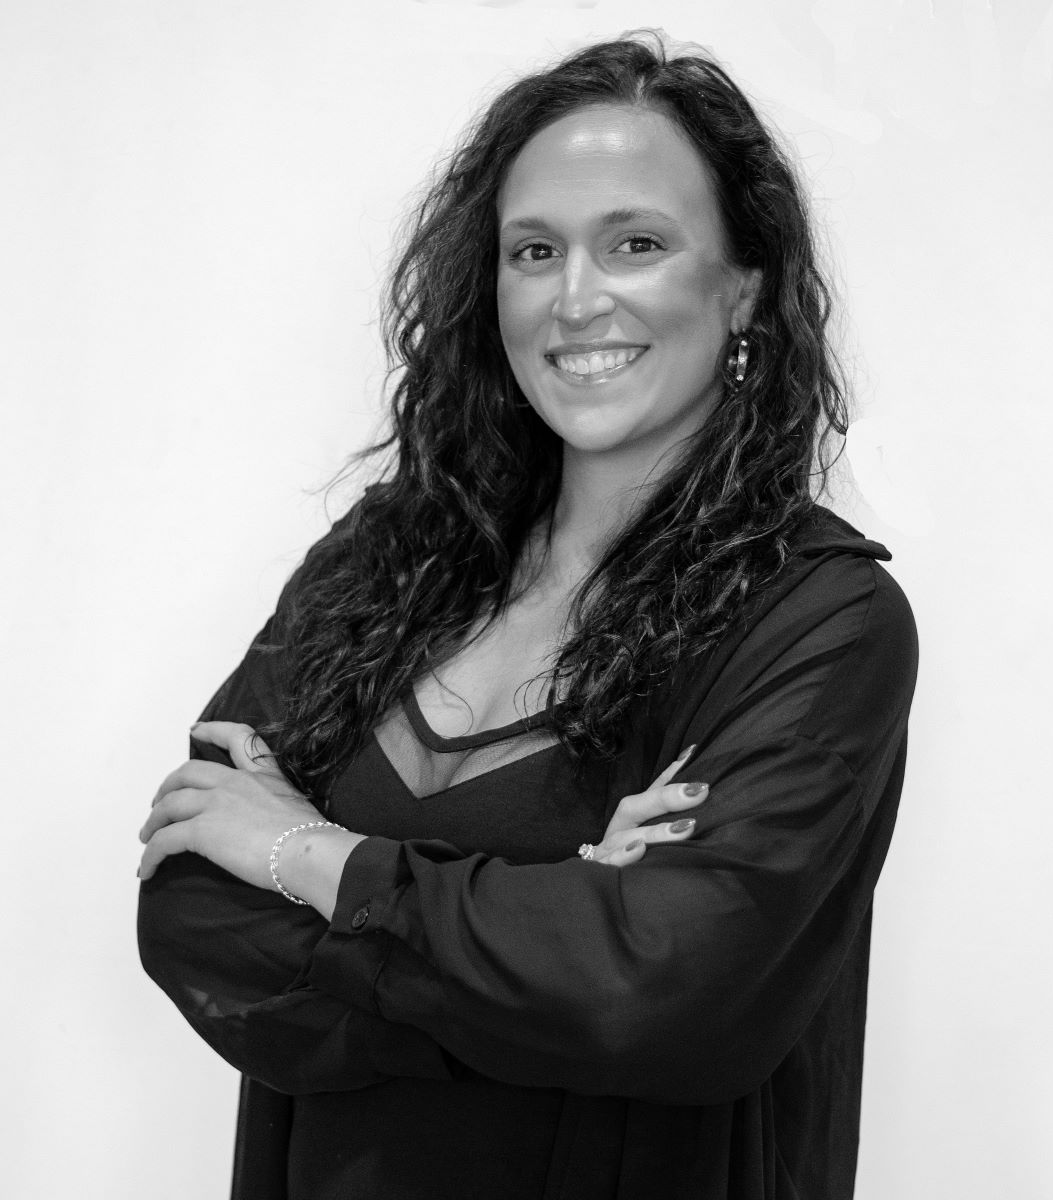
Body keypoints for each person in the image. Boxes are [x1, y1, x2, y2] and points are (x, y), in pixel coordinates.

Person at [137, 31, 918, 1200]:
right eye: (534, 250)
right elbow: (193, 908)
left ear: (743, 286)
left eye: (638, 244)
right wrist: (556, 920)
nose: (576, 297)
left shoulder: (822, 618)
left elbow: (667, 997)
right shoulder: (387, 561)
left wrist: (311, 856)